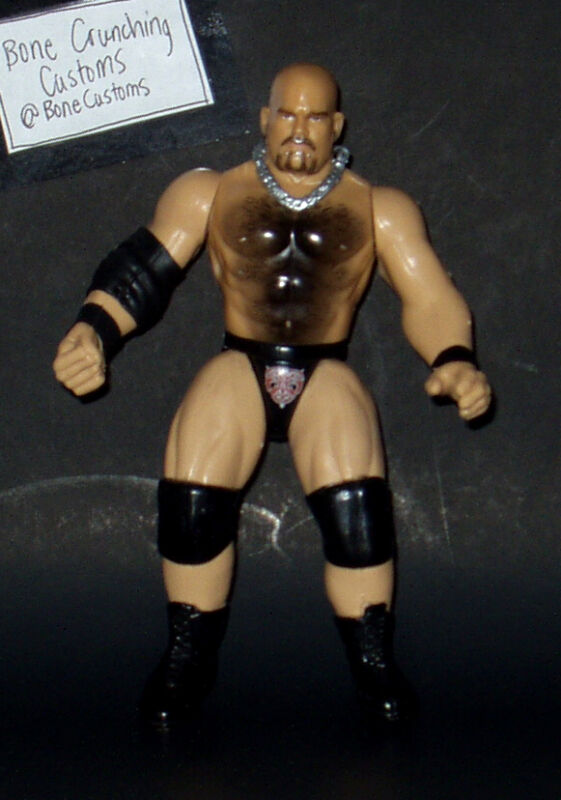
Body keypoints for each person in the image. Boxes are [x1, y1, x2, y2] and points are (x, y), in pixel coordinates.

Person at [53, 63, 491, 725]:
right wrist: (93, 329)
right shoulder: (209, 193)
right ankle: (188, 653)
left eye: (315, 117)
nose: (299, 129)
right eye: (287, 113)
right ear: (265, 118)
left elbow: (428, 294)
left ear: (337, 125)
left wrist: (454, 359)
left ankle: (372, 657)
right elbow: (143, 269)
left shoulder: (380, 207)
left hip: (324, 369)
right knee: (192, 496)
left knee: (358, 511)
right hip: (241, 362)